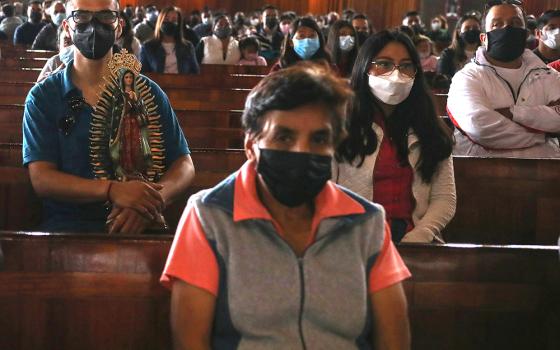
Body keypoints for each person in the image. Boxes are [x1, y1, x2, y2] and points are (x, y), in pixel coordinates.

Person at [161, 63, 411, 349]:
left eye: (319, 139)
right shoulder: (209, 217)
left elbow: (395, 341)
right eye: (284, 137)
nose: (301, 151)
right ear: (251, 145)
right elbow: (191, 342)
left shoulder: (367, 223)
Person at [22, 0, 195, 233]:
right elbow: (42, 179)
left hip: (142, 226)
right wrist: (112, 190)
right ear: (66, 27)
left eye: (105, 17)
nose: (93, 26)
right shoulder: (44, 96)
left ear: (119, 27)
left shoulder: (147, 92)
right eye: (81, 17)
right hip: (69, 229)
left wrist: (147, 203)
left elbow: (184, 165)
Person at [335, 30, 456, 243]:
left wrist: (420, 236)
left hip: (416, 238)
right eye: (384, 64)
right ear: (365, 67)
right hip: (353, 239)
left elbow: (444, 198)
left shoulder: (430, 128)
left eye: (406, 66)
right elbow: (326, 192)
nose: (396, 74)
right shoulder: (339, 124)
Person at [447, 2, 560, 158]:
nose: (507, 29)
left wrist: (513, 113)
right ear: (484, 38)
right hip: (479, 175)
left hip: (546, 173)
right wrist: (544, 132)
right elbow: (480, 127)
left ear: (526, 34)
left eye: (515, 23)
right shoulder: (467, 78)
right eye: (497, 24)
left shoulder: (548, 75)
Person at [140, 6, 199, 74]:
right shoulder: (148, 47)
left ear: (178, 24)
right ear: (160, 21)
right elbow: (143, 75)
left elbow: (195, 73)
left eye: (174, 20)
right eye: (166, 19)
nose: (170, 22)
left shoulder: (187, 47)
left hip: (182, 84)